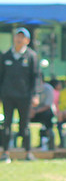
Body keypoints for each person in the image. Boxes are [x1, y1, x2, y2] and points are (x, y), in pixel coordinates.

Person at [0, 27, 41, 162]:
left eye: (22, 37)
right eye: (17, 36)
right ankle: (5, 152)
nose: (19, 39)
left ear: (27, 40)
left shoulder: (31, 56)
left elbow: (36, 77)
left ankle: (28, 152)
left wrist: (35, 95)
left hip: (24, 96)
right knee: (7, 124)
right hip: (8, 95)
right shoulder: (5, 55)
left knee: (25, 125)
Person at [28, 76, 57, 151]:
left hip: (45, 111)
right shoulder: (31, 88)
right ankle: (24, 141)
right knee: (24, 117)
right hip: (33, 111)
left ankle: (47, 139)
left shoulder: (48, 89)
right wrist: (31, 110)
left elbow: (48, 105)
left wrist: (36, 111)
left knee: (47, 115)